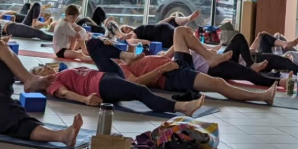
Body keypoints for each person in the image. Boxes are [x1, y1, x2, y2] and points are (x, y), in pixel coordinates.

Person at [87, 29, 277, 105]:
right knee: (218, 83)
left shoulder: (126, 59)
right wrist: (162, 70)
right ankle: (262, 97)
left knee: (180, 32)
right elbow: (136, 83)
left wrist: (168, 54)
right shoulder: (119, 70)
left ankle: (210, 57)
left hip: (175, 64)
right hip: (171, 76)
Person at [39, 58, 206, 116]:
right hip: (101, 85)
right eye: (40, 69)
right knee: (140, 91)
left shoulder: (59, 73)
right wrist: (85, 99)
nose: (45, 67)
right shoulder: (52, 83)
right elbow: (65, 93)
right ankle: (182, 107)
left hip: (105, 77)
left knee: (99, 47)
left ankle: (126, 55)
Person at [108, 10, 201, 50]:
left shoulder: (139, 28)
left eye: (127, 26)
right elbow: (130, 41)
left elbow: (158, 24)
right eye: (126, 29)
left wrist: (170, 18)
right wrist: (147, 42)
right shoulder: (132, 34)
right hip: (162, 35)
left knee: (173, 20)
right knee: (187, 39)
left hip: (162, 28)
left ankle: (188, 18)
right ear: (125, 33)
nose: (128, 28)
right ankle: (204, 46)